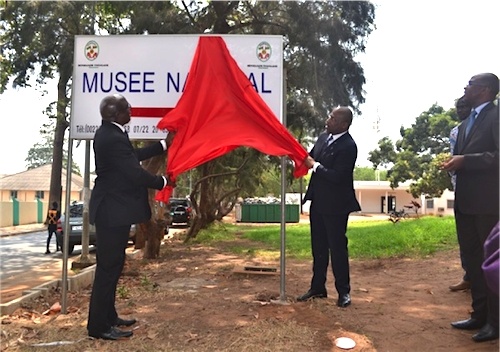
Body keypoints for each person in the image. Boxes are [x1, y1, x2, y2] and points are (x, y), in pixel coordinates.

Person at [87, 94, 175, 341]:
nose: (131, 111)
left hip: (113, 211)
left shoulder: (112, 133)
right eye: (128, 109)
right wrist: (163, 182)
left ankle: (109, 316)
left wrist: (162, 146)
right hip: (111, 212)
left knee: (114, 266)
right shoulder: (112, 137)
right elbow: (134, 173)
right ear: (116, 115)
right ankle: (98, 327)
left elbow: (131, 156)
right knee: (107, 269)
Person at [442, 73, 499, 343]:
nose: (466, 87)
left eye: (471, 83)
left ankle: (495, 322)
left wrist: (467, 160)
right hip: (464, 203)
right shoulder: (465, 124)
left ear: (485, 90)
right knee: (473, 263)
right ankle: (479, 314)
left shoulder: (496, 117)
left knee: (491, 264)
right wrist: (455, 161)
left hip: (488, 204)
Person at [297, 106, 361, 308]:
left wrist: (314, 165)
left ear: (344, 124)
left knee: (338, 249)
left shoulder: (349, 146)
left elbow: (337, 176)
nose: (328, 120)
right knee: (319, 248)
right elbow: (308, 156)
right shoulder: (323, 137)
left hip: (336, 206)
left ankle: (344, 292)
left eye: (333, 118)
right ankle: (318, 287)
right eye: (330, 116)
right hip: (318, 203)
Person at [448, 96, 472, 292]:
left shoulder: (485, 125)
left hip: (482, 190)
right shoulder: (455, 132)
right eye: (458, 107)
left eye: (464, 106)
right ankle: (469, 276)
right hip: (461, 189)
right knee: (465, 237)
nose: (460, 110)